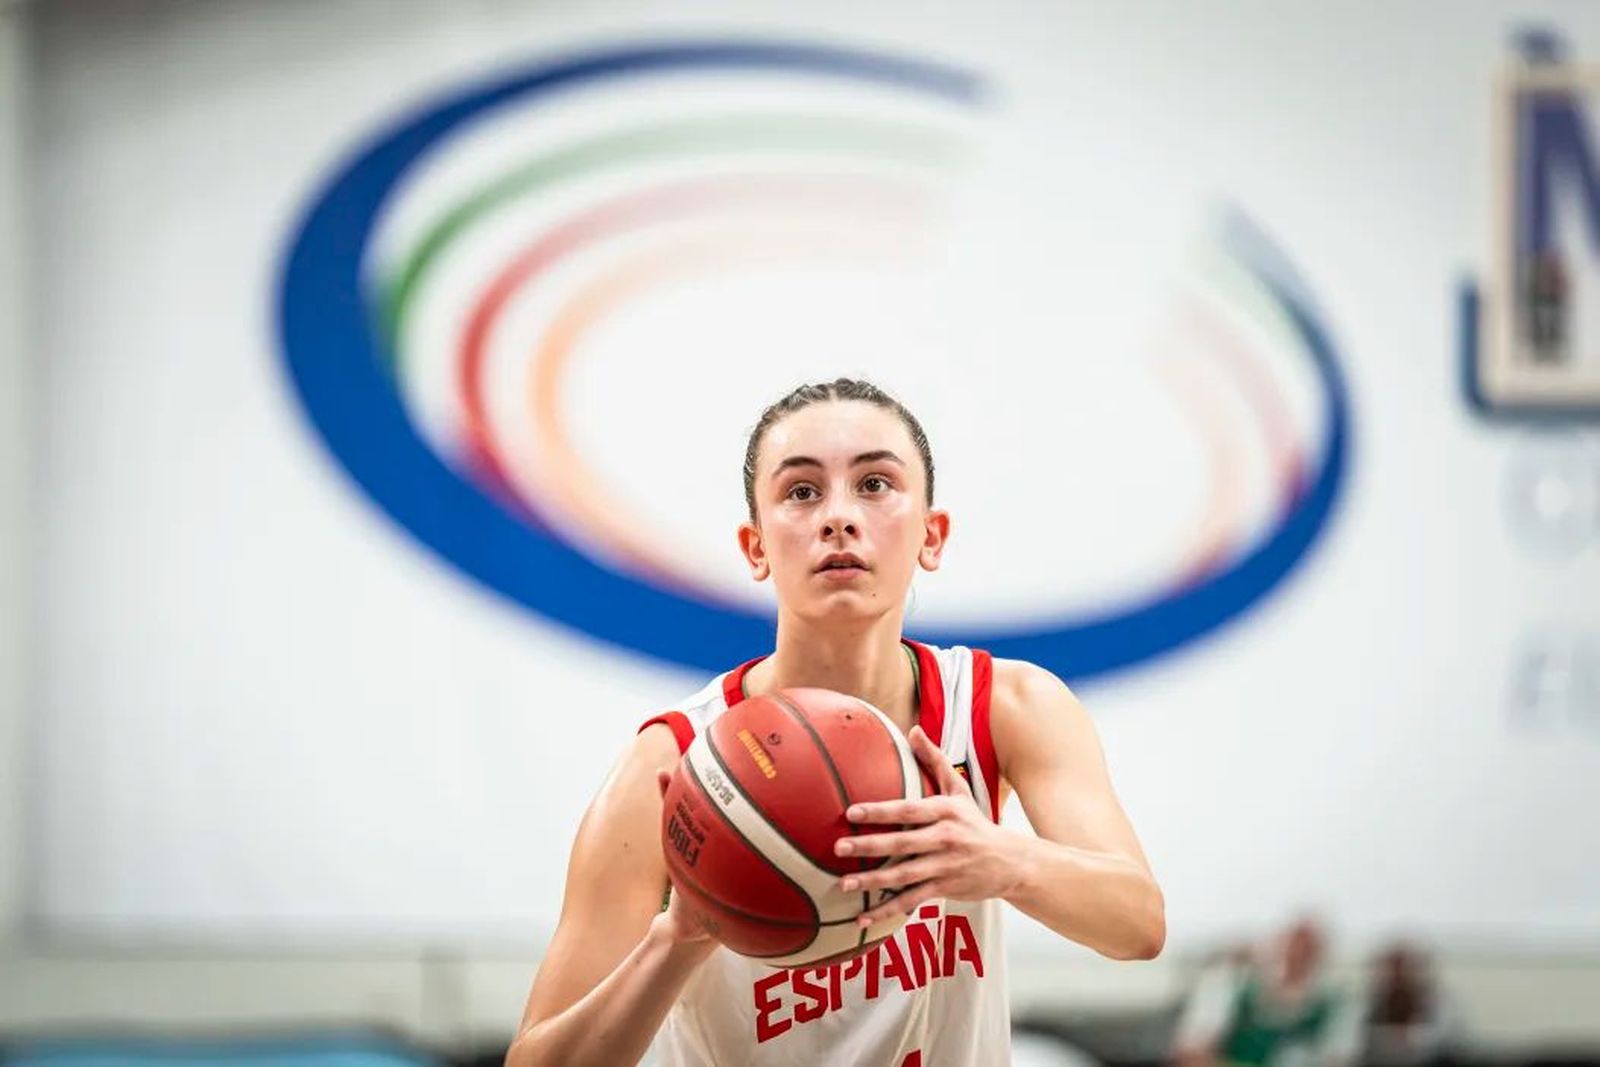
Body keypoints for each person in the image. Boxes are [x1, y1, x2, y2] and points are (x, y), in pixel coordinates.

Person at [505, 378, 1165, 1066]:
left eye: (876, 483)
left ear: (931, 535)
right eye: (801, 491)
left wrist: (1001, 859)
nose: (839, 516)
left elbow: (1138, 923)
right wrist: (675, 943)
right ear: (756, 546)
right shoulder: (676, 765)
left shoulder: (1006, 707)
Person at [1172, 918, 1359, 1067]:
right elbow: (1191, 1053)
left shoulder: (1336, 1004)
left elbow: (1337, 1058)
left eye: (1307, 952)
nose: (1297, 957)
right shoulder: (1232, 986)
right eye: (1293, 948)